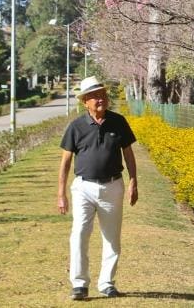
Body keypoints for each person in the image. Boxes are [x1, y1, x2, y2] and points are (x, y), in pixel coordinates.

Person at [56, 76, 138, 300]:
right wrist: (61, 193)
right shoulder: (76, 126)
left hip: (113, 186)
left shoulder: (118, 122)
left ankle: (107, 283)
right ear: (85, 102)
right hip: (83, 188)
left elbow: (128, 154)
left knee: (112, 237)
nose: (100, 99)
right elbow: (65, 162)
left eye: (102, 95)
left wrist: (133, 181)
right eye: (94, 96)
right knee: (79, 234)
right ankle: (79, 284)